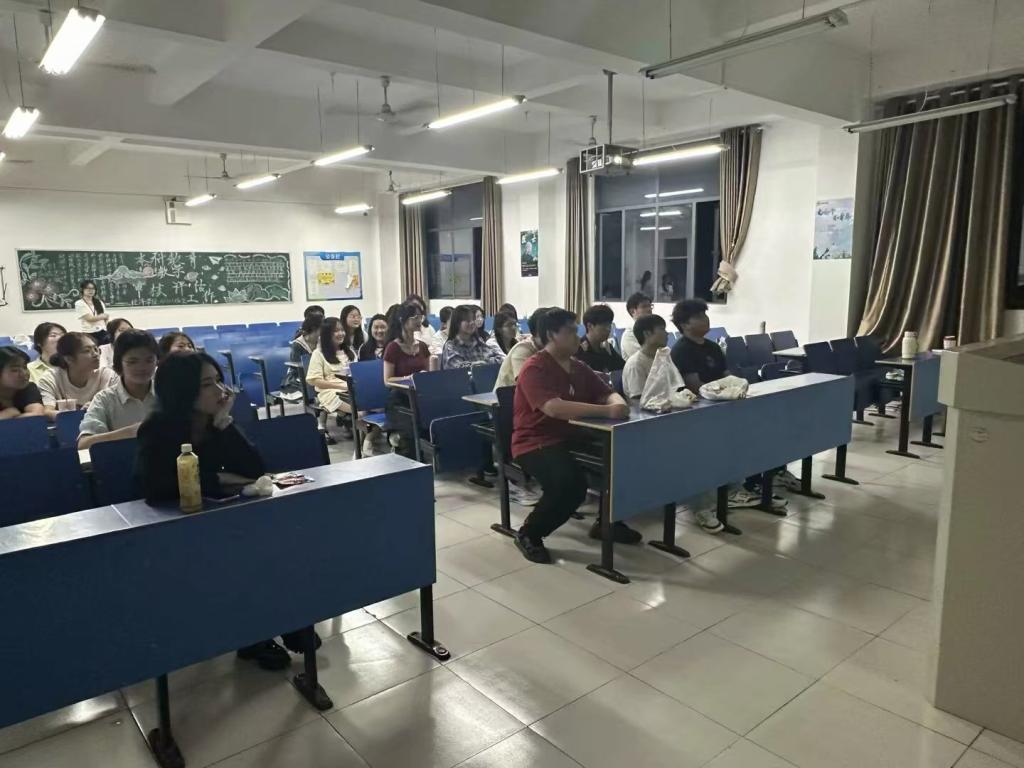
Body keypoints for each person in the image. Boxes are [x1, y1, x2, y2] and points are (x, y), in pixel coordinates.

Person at [135, 351, 316, 670]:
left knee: (273, 543)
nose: (220, 390)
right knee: (239, 554)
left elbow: (254, 470)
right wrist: (219, 479)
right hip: (175, 527)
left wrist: (224, 425)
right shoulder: (157, 429)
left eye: (218, 380)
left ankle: (284, 621)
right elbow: (158, 487)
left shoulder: (213, 422)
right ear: (183, 390)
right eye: (208, 384)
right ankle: (255, 636)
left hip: (219, 518)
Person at [511, 308, 639, 563]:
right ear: (551, 335)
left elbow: (606, 391)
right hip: (535, 441)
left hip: (573, 437)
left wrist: (617, 403)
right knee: (569, 485)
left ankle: (607, 523)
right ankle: (529, 533)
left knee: (624, 458)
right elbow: (553, 408)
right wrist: (608, 410)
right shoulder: (534, 368)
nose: (577, 336)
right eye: (570, 331)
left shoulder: (578, 367)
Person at [669, 299, 782, 530]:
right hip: (700, 412)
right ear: (685, 324)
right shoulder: (681, 350)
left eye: (705, 314)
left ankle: (748, 485)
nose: (705, 319)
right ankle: (715, 497)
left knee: (761, 430)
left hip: (725, 406)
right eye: (699, 316)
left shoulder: (712, 347)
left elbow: (727, 376)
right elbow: (695, 387)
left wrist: (736, 388)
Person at [78, 330, 158, 449]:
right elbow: (84, 443)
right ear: (118, 365)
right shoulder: (104, 399)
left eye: (149, 360)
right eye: (132, 362)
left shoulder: (167, 393)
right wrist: (130, 433)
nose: (142, 367)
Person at [383, 302, 431, 457]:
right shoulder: (393, 347)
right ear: (402, 319)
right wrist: (407, 379)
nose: (419, 320)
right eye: (415, 317)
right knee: (410, 435)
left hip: (420, 398)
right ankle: (399, 442)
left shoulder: (422, 346)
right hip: (400, 400)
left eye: (420, 317)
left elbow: (429, 374)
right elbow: (387, 380)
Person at [37, 332, 118, 419]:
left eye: (96, 349)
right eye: (87, 351)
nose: (95, 354)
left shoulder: (107, 375)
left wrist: (98, 408)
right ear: (69, 359)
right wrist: (77, 415)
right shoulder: (50, 378)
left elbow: (118, 409)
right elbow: (48, 412)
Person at [306, 317, 353, 444]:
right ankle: (364, 444)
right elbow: (314, 380)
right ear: (327, 334)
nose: (341, 333)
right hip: (330, 392)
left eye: (342, 330)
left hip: (351, 389)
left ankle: (365, 438)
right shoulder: (318, 353)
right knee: (360, 410)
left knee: (373, 406)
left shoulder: (349, 351)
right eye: (336, 331)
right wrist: (342, 387)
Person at [495, 306, 547, 389]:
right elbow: (528, 386)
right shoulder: (522, 349)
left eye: (515, 324)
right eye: (509, 325)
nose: (513, 328)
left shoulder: (517, 342)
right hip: (507, 395)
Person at [441, 305, 505, 369]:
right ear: (457, 323)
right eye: (467, 320)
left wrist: (484, 363)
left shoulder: (478, 341)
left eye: (473, 319)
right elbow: (458, 369)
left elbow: (499, 359)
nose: (472, 323)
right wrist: (480, 364)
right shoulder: (451, 346)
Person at [622, 314, 668, 399]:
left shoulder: (663, 358)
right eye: (662, 329)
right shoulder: (635, 364)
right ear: (647, 333)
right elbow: (638, 400)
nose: (667, 333)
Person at [281, 311, 323, 401]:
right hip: (300, 376)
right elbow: (295, 367)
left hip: (318, 374)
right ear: (314, 329)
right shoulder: (298, 344)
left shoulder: (322, 342)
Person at [575, 304, 625, 373]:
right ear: (590, 326)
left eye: (609, 325)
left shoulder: (607, 347)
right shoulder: (578, 349)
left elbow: (623, 368)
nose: (608, 329)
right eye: (604, 325)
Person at [0, 346, 45, 419]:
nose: (24, 373)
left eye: (25, 367)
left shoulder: (28, 388)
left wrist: (8, 417)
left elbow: (37, 415)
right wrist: (9, 413)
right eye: (15, 370)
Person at [74, 280, 110, 344]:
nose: (91, 291)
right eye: (88, 288)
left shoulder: (99, 302)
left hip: (102, 331)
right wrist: (102, 316)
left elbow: (106, 318)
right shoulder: (79, 303)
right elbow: (90, 319)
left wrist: (109, 330)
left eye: (93, 289)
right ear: (82, 289)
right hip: (89, 333)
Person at [619, 292, 654, 359]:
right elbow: (644, 358)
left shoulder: (652, 330)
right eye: (644, 306)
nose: (649, 309)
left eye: (650, 306)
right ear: (633, 312)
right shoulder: (630, 335)